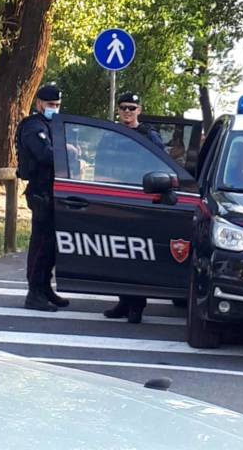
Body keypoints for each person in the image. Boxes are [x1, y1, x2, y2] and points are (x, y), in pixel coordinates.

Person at [104, 91, 164, 324]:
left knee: (138, 254)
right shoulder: (110, 135)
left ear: (139, 110)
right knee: (119, 254)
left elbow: (161, 162)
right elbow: (101, 164)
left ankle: (137, 305)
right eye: (123, 108)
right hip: (116, 198)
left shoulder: (149, 135)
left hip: (141, 200)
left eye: (131, 108)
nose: (127, 112)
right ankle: (123, 301)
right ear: (118, 110)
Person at [17, 84, 69, 312]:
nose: (54, 109)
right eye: (50, 105)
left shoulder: (52, 125)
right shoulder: (33, 126)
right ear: (39, 103)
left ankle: (45, 287)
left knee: (52, 245)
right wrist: (66, 151)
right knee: (41, 243)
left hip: (54, 191)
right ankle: (34, 292)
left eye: (57, 105)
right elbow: (44, 154)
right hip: (41, 191)